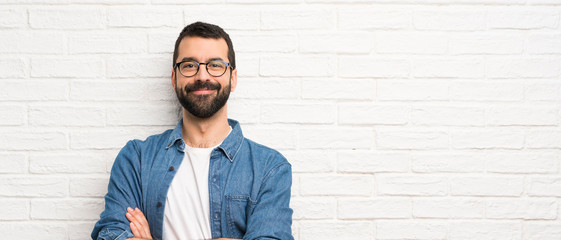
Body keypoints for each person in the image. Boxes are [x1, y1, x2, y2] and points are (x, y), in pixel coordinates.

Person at [91, 22, 294, 240]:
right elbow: (111, 233)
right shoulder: (137, 159)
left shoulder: (269, 168)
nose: (202, 76)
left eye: (215, 65)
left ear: (232, 78)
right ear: (174, 78)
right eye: (189, 65)